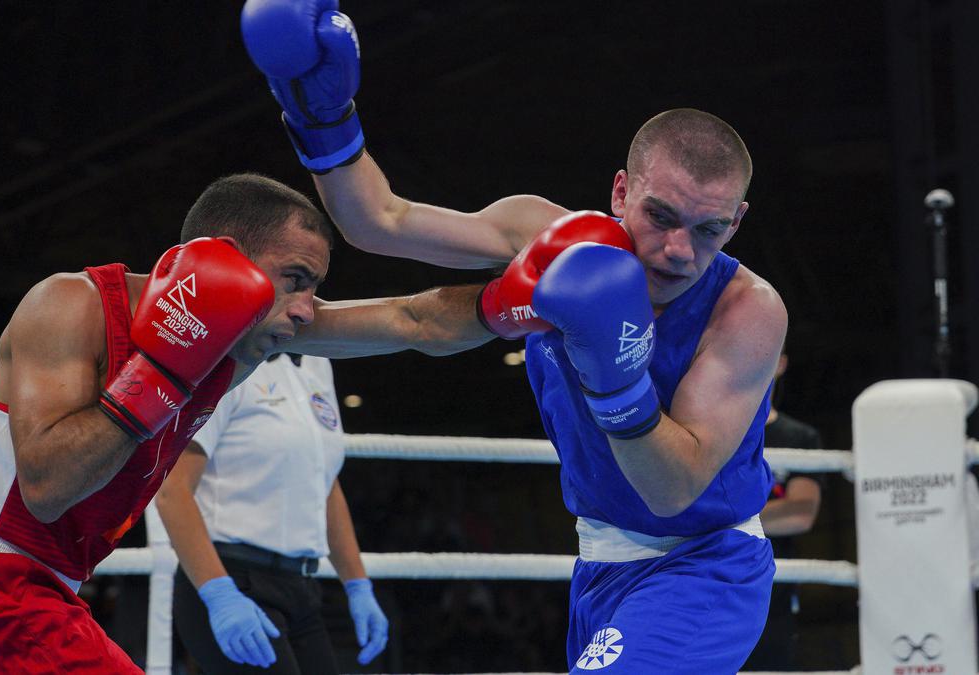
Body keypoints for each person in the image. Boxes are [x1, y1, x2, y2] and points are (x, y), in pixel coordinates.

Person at [240, 4, 788, 672]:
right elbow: (381, 224)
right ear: (621, 191)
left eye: (710, 228)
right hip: (600, 566)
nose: (678, 251)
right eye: (661, 215)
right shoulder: (546, 234)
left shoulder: (748, 311)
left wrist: (611, 372)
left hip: (706, 565)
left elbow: (671, 489)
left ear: (738, 221)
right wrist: (322, 116)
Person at [0, 173, 492, 673]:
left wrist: (521, 301)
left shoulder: (249, 339)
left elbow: (415, 321)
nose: (308, 309)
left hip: (45, 597)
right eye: (296, 281)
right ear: (228, 260)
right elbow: (47, 489)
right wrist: (162, 374)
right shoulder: (69, 304)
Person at [154, 352, 387, 673]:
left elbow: (323, 481)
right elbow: (171, 491)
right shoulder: (228, 363)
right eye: (293, 296)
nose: (305, 307)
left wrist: (357, 584)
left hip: (302, 590)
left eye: (310, 297)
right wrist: (219, 593)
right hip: (231, 579)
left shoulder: (318, 363)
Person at [744, 349, 825, 671]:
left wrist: (720, 516)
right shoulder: (711, 432)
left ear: (782, 363)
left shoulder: (800, 437)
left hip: (771, 588)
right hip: (708, 572)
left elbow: (799, 514)